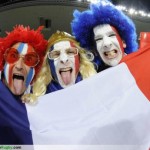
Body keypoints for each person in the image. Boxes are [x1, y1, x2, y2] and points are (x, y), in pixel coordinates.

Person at [71, 0, 138, 72]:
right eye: (99, 39)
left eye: (111, 35)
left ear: (123, 42)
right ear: (95, 51)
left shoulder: (141, 67)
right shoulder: (93, 79)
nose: (106, 43)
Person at [29, 30, 96, 99]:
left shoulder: (95, 89)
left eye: (70, 52)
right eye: (56, 54)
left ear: (80, 58)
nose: (64, 59)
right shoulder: (36, 97)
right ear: (48, 63)